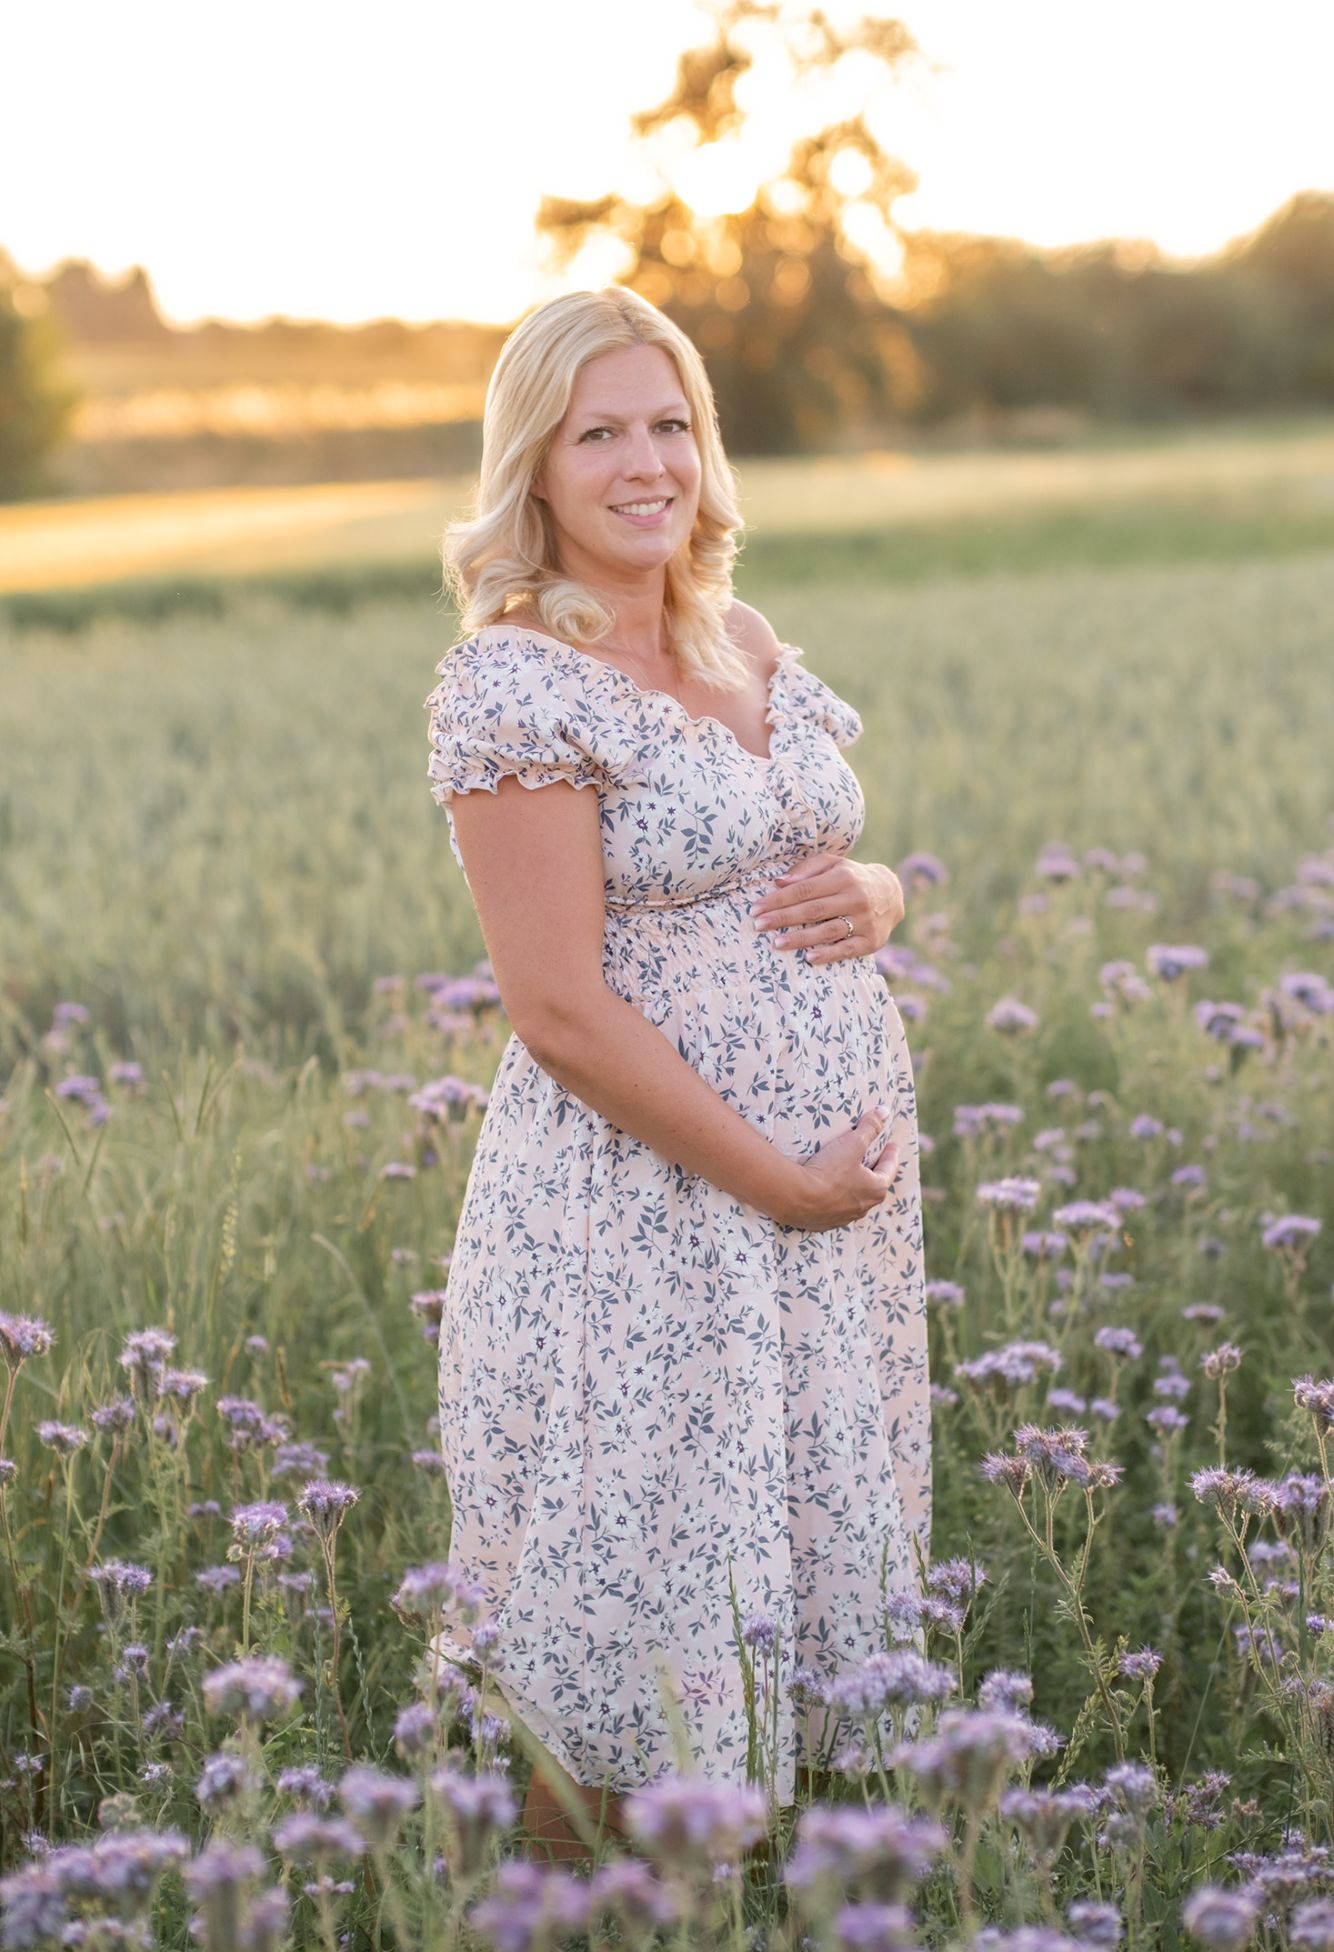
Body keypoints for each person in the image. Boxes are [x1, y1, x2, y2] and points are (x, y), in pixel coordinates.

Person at [422, 285, 930, 1861]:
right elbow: (558, 1005)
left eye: (669, 425)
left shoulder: (740, 637)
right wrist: (775, 1182)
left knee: (780, 1556)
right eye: (600, 434)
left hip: (822, 1217)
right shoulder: (517, 683)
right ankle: (559, 1906)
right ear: (537, 469)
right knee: (629, 1587)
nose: (646, 463)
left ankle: (746, 1890)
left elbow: (810, 851)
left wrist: (890, 893)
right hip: (644, 1219)